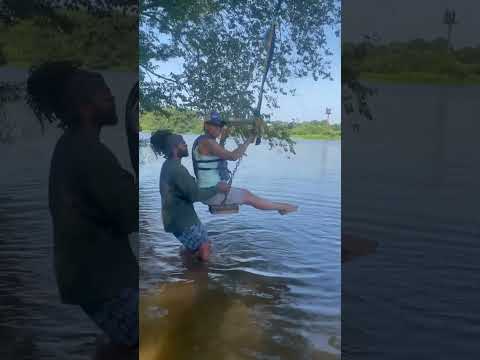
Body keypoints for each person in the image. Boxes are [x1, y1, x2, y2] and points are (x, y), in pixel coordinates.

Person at [26, 62, 138, 359]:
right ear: (85, 106)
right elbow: (130, 214)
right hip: (103, 282)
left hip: (91, 277)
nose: (112, 97)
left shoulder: (73, 147)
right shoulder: (88, 154)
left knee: (128, 343)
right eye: (103, 91)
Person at [192, 111, 298, 215]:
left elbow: (217, 154)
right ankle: (284, 207)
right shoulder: (207, 142)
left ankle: (282, 207)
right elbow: (233, 156)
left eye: (219, 126)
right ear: (205, 126)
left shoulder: (203, 140)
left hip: (209, 190)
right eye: (214, 125)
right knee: (249, 197)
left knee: (246, 194)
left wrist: (224, 138)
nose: (218, 129)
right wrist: (249, 140)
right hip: (211, 194)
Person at [150, 130, 230, 261]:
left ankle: (185, 269)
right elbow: (195, 195)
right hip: (180, 220)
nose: (186, 145)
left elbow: (189, 191)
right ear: (175, 148)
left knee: (204, 244)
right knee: (204, 248)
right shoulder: (176, 170)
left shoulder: (170, 165)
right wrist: (218, 188)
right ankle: (201, 278)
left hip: (184, 217)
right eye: (183, 143)